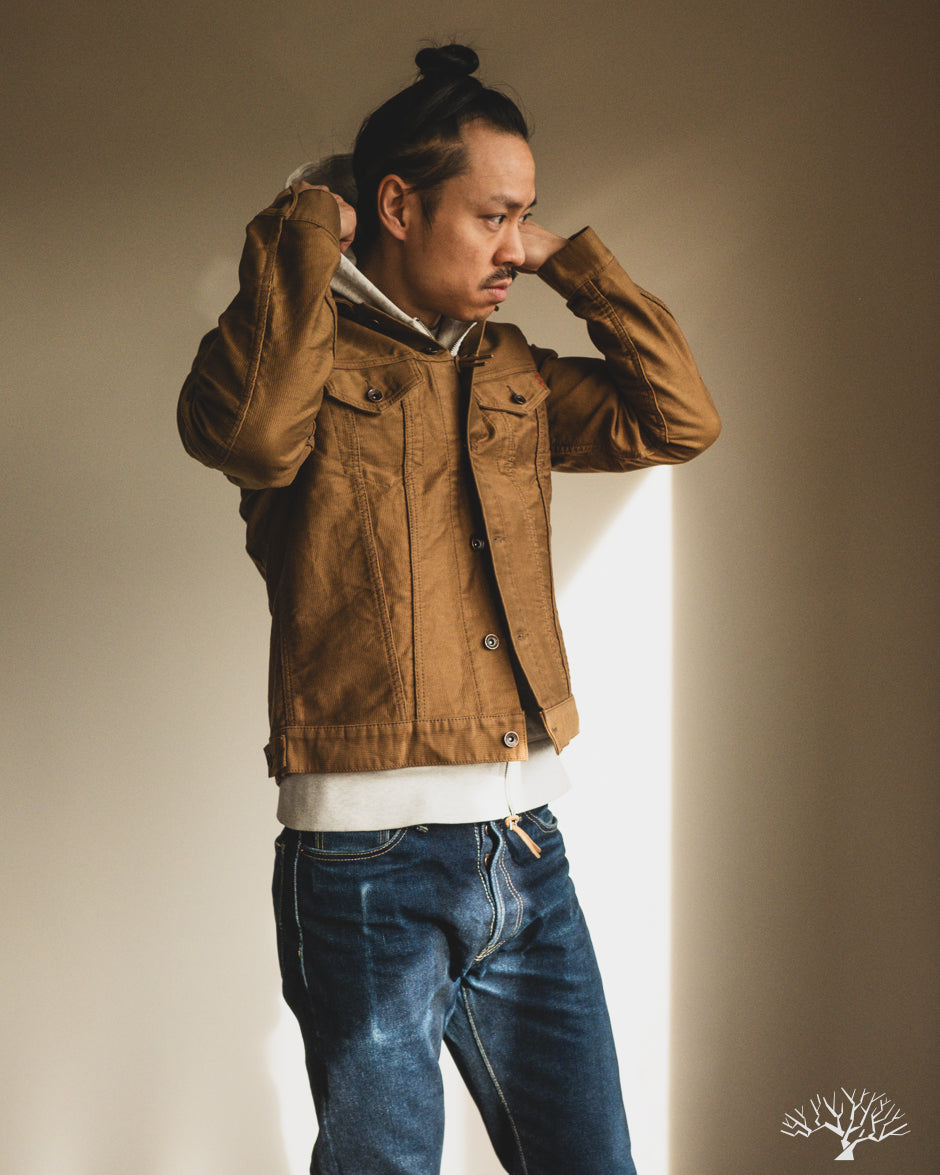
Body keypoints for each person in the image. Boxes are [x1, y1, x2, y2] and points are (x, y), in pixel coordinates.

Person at [178, 42, 719, 1175]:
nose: (513, 246)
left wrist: (574, 261)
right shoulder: (286, 360)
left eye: (525, 218)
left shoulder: (510, 367)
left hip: (525, 841)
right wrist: (300, 230)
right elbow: (252, 439)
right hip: (363, 859)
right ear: (395, 206)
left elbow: (677, 418)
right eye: (493, 217)